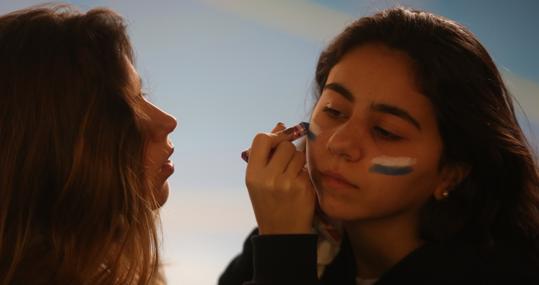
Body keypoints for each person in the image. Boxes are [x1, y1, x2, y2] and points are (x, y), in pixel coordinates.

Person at [219, 7, 539, 285]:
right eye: (333, 110)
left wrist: (283, 252)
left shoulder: (497, 275)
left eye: (385, 131)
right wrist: (280, 239)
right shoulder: (307, 232)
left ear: (451, 174)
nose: (339, 143)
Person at [0, 5, 177, 285]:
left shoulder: (114, 265)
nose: (168, 121)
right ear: (58, 149)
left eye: (142, 93)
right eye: (127, 109)